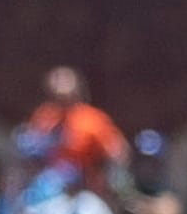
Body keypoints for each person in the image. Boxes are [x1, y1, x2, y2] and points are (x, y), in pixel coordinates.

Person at [25, 66, 129, 199]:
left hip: (82, 194)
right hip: (46, 191)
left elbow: (119, 153)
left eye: (65, 97)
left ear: (76, 92)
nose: (61, 101)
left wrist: (115, 184)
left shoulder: (92, 120)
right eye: (56, 96)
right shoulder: (43, 117)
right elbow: (30, 151)